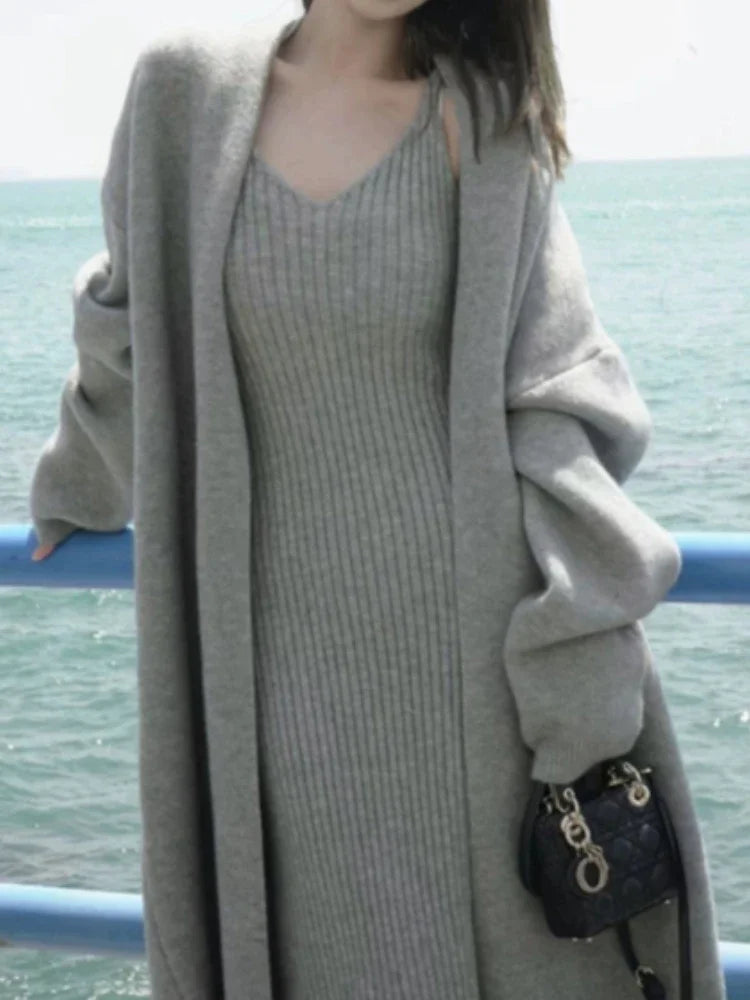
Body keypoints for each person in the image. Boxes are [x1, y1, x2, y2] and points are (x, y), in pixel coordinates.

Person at [29, 2, 727, 999]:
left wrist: (575, 692)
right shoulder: (183, 93)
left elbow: (557, 399)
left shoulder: (487, 121)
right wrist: (75, 488)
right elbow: (131, 334)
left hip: (475, 702)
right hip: (265, 703)